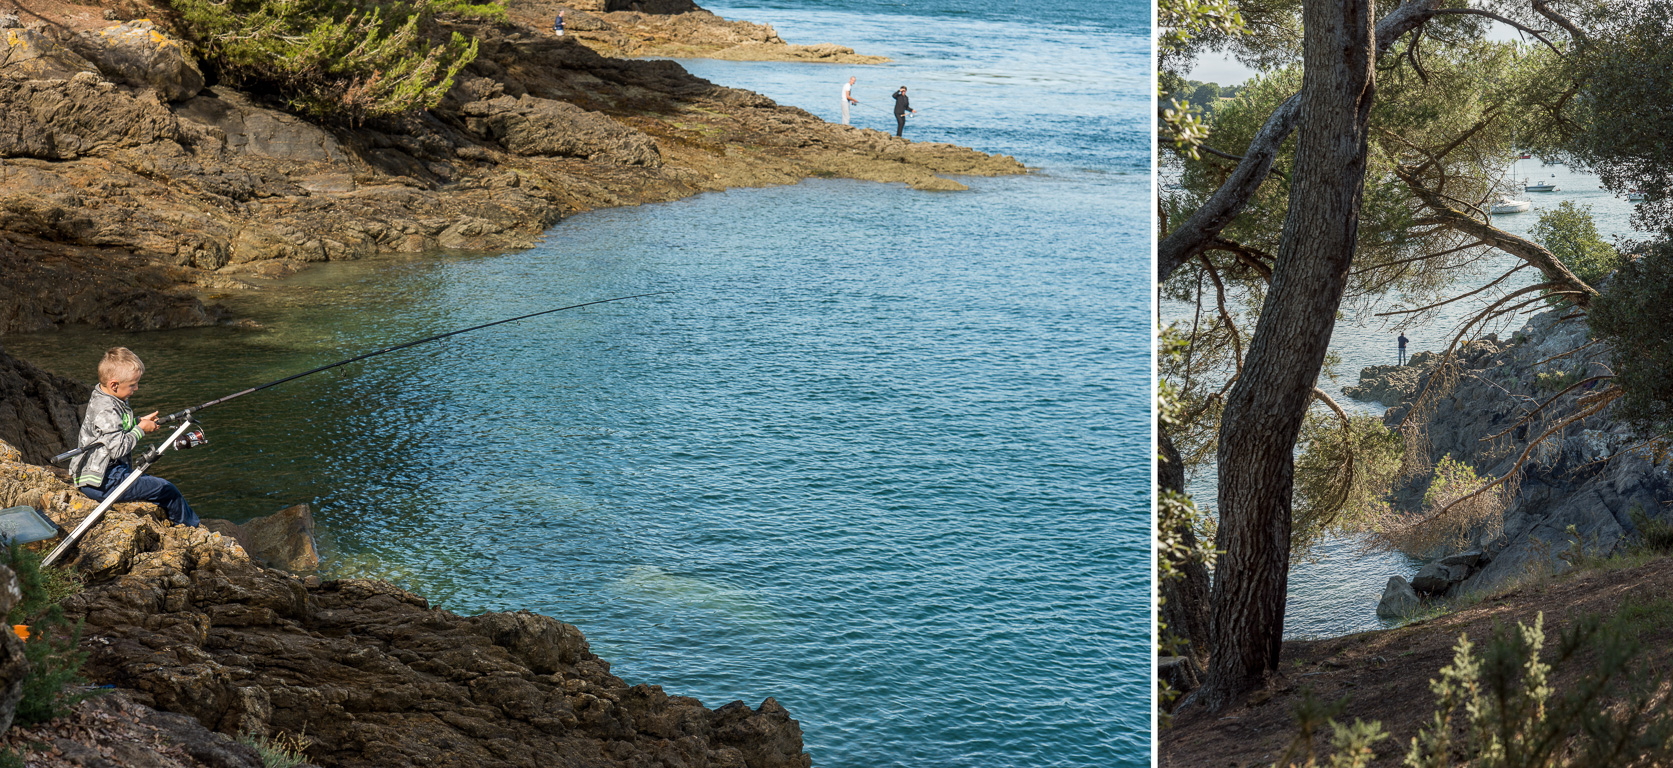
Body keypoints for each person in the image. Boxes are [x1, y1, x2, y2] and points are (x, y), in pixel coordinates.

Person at [68, 347, 200, 527]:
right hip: (103, 482)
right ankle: (191, 528)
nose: (136, 388)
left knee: (154, 485)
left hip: (103, 476)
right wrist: (140, 430)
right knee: (166, 489)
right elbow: (117, 448)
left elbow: (111, 430)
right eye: (132, 385)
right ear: (114, 384)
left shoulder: (104, 395)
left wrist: (137, 421)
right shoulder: (106, 409)